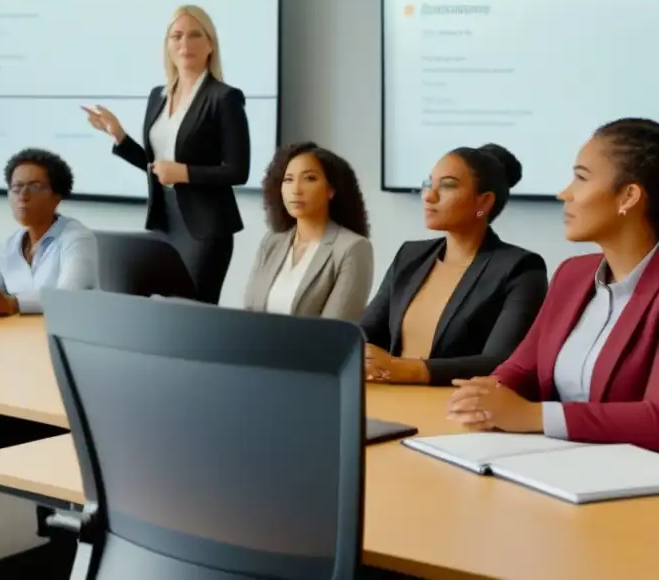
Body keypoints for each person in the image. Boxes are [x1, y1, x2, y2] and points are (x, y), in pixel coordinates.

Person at [448, 119, 659, 451]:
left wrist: (534, 416)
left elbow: (655, 419)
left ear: (629, 196)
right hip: (555, 465)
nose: (565, 193)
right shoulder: (572, 275)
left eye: (581, 177)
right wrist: (487, 393)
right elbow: (522, 369)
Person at [83, 4, 250, 304]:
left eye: (194, 35)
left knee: (194, 316)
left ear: (210, 44)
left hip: (205, 229)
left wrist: (184, 172)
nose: (185, 43)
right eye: (177, 36)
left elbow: (238, 170)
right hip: (165, 222)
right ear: (168, 45)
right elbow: (156, 166)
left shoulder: (224, 98)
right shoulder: (158, 95)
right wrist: (118, 135)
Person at [360, 144, 548, 386]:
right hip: (392, 394)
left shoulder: (521, 268)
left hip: (458, 404)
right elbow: (367, 330)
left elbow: (501, 361)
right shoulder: (410, 255)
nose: (429, 195)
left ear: (484, 202)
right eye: (428, 184)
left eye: (447, 185)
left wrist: (408, 369)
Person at [243, 142, 374, 321]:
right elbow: (249, 312)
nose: (295, 190)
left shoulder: (353, 248)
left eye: (310, 178)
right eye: (288, 179)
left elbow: (334, 332)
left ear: (331, 190)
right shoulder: (272, 242)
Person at [0, 147, 97, 316]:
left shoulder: (77, 239)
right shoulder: (7, 245)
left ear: (57, 195)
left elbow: (68, 298)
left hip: (66, 335)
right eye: (16, 187)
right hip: (19, 335)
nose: (23, 195)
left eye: (35, 187)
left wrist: (14, 303)